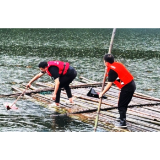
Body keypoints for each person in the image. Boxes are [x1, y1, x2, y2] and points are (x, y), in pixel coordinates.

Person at [99, 54, 136, 129]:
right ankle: (122, 117)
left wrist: (102, 93)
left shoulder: (112, 71)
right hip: (130, 84)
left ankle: (123, 123)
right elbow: (120, 77)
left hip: (128, 87)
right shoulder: (118, 64)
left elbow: (109, 85)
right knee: (122, 103)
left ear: (106, 62)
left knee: (121, 105)